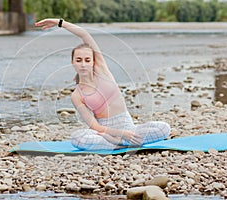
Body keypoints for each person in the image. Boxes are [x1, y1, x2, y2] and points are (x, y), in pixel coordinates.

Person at [35, 18, 171, 150]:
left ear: (93, 62)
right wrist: (121, 134)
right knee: (78, 138)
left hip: (128, 126)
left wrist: (60, 23)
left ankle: (119, 144)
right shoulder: (77, 95)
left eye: (87, 60)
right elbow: (95, 126)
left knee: (164, 128)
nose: (83, 64)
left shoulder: (101, 70)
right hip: (105, 132)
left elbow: (84, 34)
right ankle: (119, 143)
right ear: (73, 63)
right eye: (78, 60)